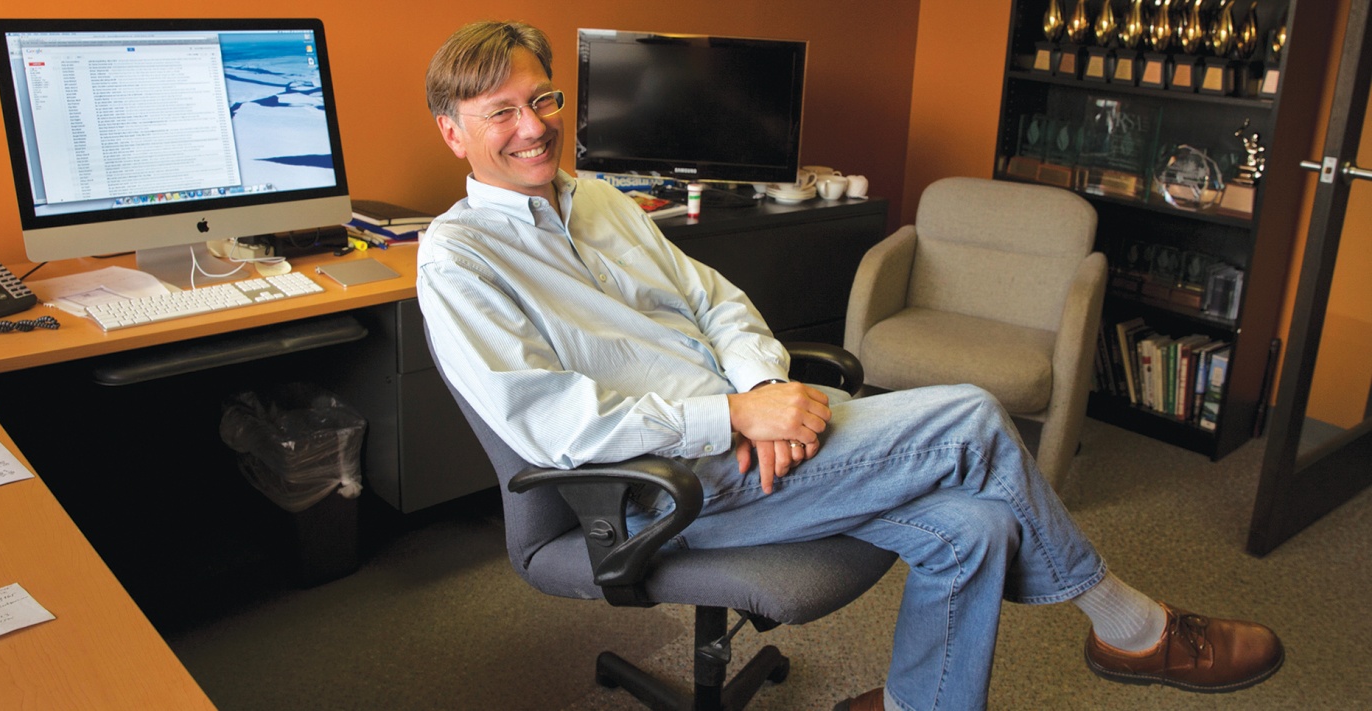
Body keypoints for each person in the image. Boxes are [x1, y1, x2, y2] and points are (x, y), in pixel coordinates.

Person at [416, 20, 1284, 711]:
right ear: (453, 133)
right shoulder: (458, 259)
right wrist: (732, 417)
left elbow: (717, 301)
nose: (535, 126)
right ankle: (1131, 627)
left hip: (747, 433)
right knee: (972, 416)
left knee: (974, 530)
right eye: (501, 112)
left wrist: (762, 386)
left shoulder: (601, 198)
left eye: (543, 98)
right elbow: (556, 423)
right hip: (659, 484)